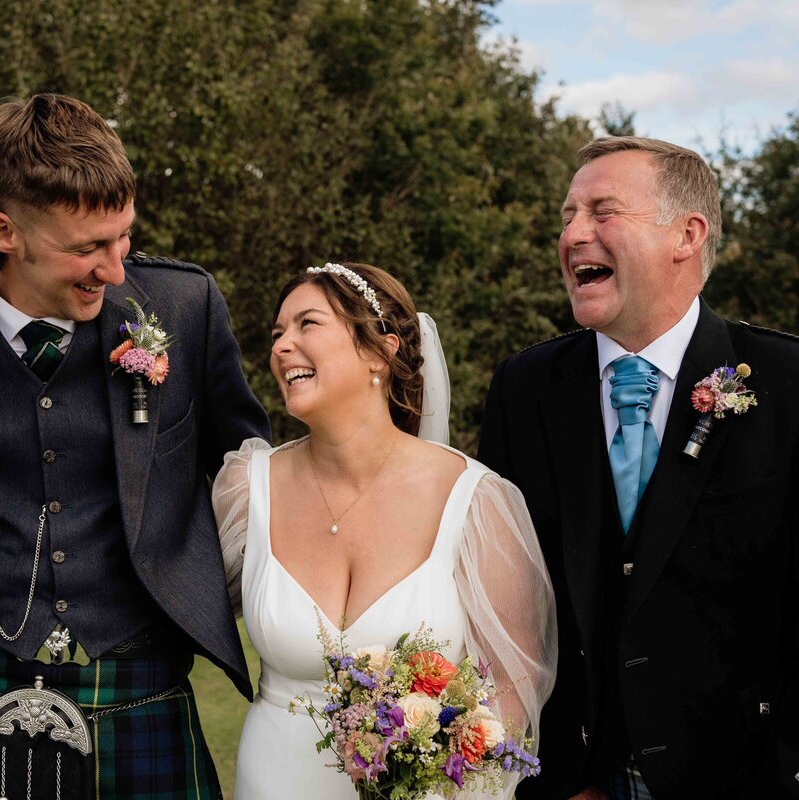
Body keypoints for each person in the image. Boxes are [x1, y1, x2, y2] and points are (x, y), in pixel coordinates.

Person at [0, 93, 270, 799]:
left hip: (141, 685)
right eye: (87, 247)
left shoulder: (182, 306)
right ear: (3, 232)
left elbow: (255, 470)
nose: (115, 268)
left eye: (122, 237)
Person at [479, 136, 799, 799]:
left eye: (602, 210)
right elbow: (504, 605)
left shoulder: (788, 383)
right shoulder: (524, 389)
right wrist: (557, 777)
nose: (572, 235)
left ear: (687, 234)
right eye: (567, 216)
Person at [213, 262, 557, 799]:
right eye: (277, 333)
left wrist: (453, 779)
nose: (282, 347)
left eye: (308, 325)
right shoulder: (246, 489)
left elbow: (514, 687)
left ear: (380, 351)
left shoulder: (475, 500)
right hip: (273, 778)